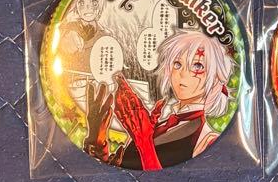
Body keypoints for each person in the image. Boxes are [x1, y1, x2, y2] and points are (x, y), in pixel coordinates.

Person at [83, 30, 233, 169]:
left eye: (198, 66)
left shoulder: (207, 141)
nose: (182, 73)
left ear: (216, 77)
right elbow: (117, 172)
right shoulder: (162, 123)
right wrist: (97, 140)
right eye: (177, 64)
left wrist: (143, 140)